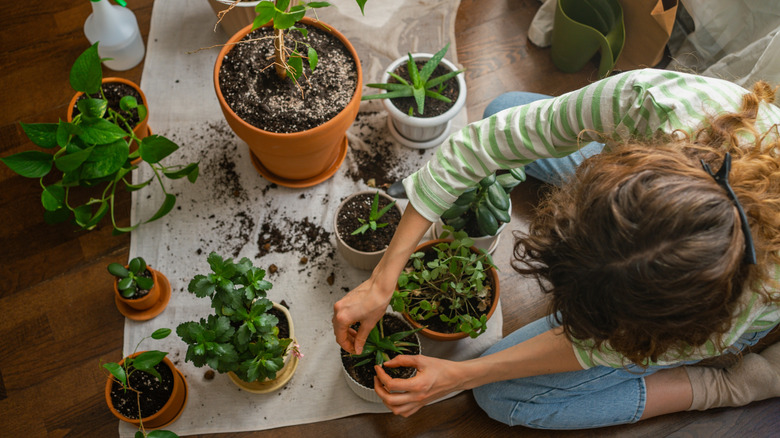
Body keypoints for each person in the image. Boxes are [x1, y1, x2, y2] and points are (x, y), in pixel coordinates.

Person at [332, 69, 780, 429]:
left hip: (733, 308)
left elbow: (596, 348)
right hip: (661, 157)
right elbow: (484, 142)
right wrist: (383, 275)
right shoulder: (650, 101)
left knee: (499, 395)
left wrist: (460, 375)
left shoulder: (719, 310)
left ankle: (729, 386)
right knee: (505, 111)